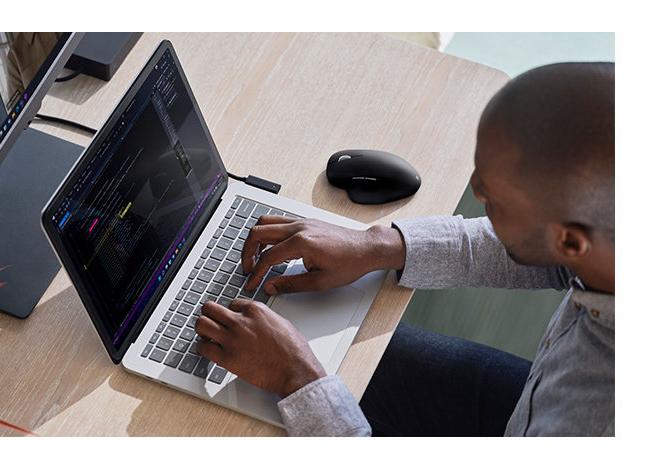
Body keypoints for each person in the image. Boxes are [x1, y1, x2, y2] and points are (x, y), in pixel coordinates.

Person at [193, 62, 615, 436]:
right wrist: (377, 245)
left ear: (570, 240)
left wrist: (298, 381)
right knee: (346, 348)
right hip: (532, 393)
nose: (474, 190)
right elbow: (546, 253)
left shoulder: (595, 424)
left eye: (492, 195)